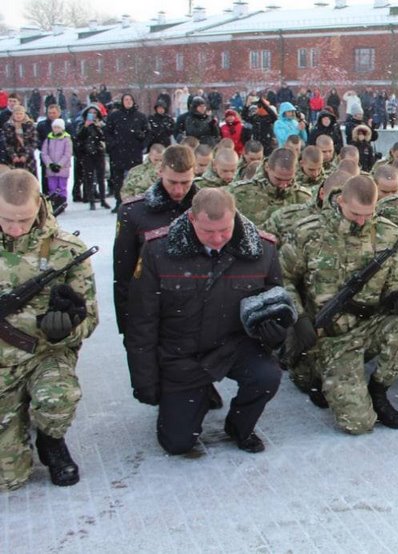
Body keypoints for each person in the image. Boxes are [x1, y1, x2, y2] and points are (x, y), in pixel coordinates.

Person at [127, 188, 291, 454]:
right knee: (177, 443)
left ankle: (240, 426)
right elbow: (142, 321)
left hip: (233, 347)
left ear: (235, 217)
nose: (217, 239)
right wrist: (144, 379)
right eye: (208, 232)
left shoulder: (262, 250)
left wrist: (276, 334)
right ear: (191, 219)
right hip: (181, 353)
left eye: (224, 230)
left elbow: (274, 304)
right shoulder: (158, 251)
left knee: (267, 376)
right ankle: (196, 397)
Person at [280, 176, 398, 432]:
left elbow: (397, 279)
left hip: (369, 328)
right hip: (326, 337)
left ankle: (379, 392)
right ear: (340, 201)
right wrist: (298, 317)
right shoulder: (309, 231)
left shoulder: (388, 232)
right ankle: (317, 374)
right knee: (358, 424)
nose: (362, 220)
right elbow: (283, 278)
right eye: (355, 213)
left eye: (368, 214)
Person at [0, 171, 97, 490]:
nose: (15, 228)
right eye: (7, 219)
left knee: (58, 397)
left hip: (45, 355)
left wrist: (65, 328)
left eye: (24, 220)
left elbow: (90, 318)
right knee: (9, 479)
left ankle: (50, 440)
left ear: (40, 204)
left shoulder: (67, 251)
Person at [112, 146, 198, 339]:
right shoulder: (133, 213)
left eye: (185, 182)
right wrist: (127, 326)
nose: (178, 190)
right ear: (160, 171)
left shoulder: (205, 208)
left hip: (197, 316)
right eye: (172, 182)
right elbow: (123, 272)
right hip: (150, 313)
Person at [104, 93, 149, 209]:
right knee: (118, 179)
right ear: (122, 102)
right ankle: (119, 201)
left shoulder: (140, 116)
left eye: (130, 99)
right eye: (126, 100)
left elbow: (148, 132)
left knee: (136, 177)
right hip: (118, 152)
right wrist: (112, 144)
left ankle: (136, 200)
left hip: (134, 151)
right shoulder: (115, 116)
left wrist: (142, 141)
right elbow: (107, 132)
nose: (128, 102)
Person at [40, 118, 72, 207]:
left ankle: (62, 202)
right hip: (51, 168)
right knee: (52, 187)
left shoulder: (67, 139)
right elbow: (44, 153)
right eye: (54, 127)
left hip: (63, 168)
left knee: (62, 186)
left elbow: (67, 154)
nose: (56, 129)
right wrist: (50, 164)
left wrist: (59, 164)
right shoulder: (48, 139)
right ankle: (53, 202)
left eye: (58, 127)